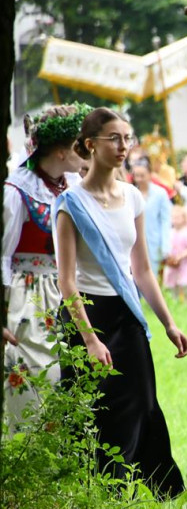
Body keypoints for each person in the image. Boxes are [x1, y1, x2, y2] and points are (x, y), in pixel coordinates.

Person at [54, 107, 187, 498]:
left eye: (127, 138)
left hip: (126, 314)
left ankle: (127, 487)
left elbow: (142, 270)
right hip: (87, 316)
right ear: (90, 144)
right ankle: (95, 491)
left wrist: (168, 323)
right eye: (114, 138)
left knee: (140, 401)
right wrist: (90, 340)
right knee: (94, 406)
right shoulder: (70, 204)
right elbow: (67, 281)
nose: (123, 146)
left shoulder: (132, 197)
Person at [4, 103, 88, 432]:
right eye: (80, 145)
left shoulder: (73, 185)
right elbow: (2, 256)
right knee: (37, 382)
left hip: (69, 292)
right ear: (62, 151)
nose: (86, 152)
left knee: (73, 383)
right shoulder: (17, 190)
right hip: (29, 296)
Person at [131, 158, 172, 280]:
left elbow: (165, 220)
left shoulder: (160, 193)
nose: (139, 179)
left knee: (152, 278)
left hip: (154, 242)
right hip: (134, 243)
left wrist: (165, 247)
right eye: (136, 175)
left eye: (142, 175)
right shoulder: (131, 192)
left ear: (149, 174)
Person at [163, 206, 187, 303]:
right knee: (172, 284)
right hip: (172, 263)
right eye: (173, 217)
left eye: (177, 217)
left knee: (184, 284)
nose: (175, 220)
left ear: (184, 218)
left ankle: (186, 303)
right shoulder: (170, 232)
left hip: (184, 263)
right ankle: (175, 302)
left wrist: (181, 256)